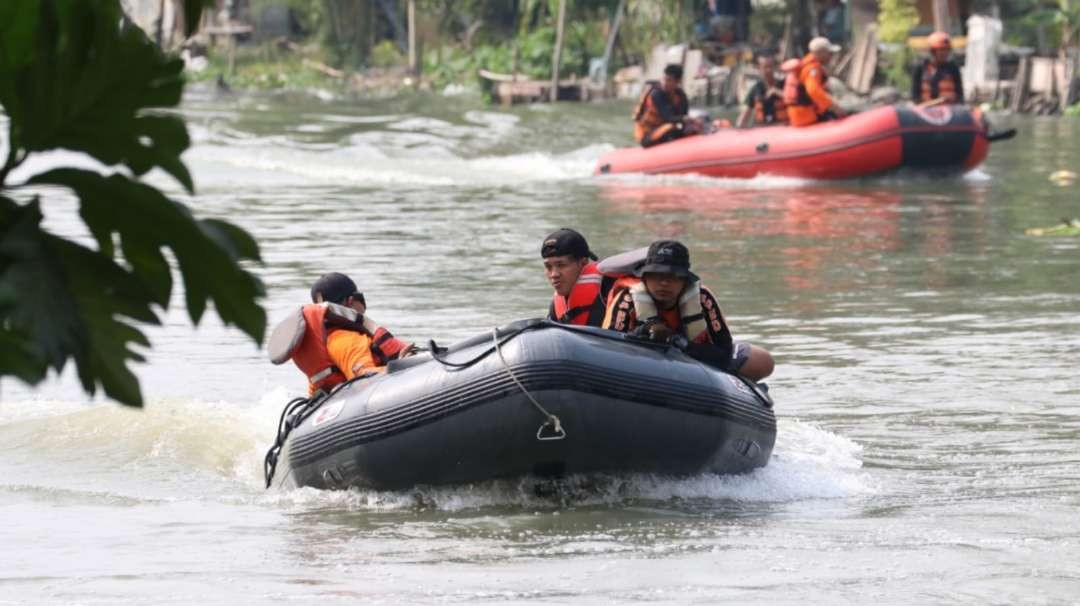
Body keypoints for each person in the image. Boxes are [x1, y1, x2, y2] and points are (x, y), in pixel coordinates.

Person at [602, 240, 774, 382]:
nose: (664, 283)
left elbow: (724, 351)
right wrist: (644, 334)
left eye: (672, 277)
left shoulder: (702, 298)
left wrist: (679, 343)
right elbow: (609, 349)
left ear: (685, 281)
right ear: (644, 277)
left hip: (694, 361)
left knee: (762, 361)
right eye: (656, 275)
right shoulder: (627, 298)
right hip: (641, 361)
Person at [289, 273, 414, 395]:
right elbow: (364, 377)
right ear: (351, 301)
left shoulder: (322, 343)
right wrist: (400, 366)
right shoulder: (347, 340)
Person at [542, 228, 613, 327]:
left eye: (561, 265)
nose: (554, 274)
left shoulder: (609, 290)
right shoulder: (556, 305)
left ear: (583, 263)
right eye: (548, 267)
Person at [783, 36, 846, 127]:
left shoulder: (806, 64)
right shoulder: (813, 69)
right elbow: (813, 90)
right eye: (829, 53)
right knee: (842, 114)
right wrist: (835, 107)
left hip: (799, 115)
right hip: (807, 116)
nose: (831, 56)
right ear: (820, 53)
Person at [633, 64, 698, 148]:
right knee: (670, 128)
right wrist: (685, 119)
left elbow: (683, 116)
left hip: (662, 128)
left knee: (691, 128)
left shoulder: (680, 96)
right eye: (664, 79)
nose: (664, 83)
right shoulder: (656, 94)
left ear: (678, 81)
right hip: (646, 134)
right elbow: (668, 118)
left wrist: (692, 122)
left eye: (669, 80)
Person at [912, 31, 964, 105]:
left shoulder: (953, 68)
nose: (944, 53)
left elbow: (960, 96)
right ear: (932, 51)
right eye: (941, 50)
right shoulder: (920, 68)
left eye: (946, 50)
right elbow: (915, 97)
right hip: (926, 112)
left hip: (949, 111)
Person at [736, 54, 788, 128]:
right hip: (763, 130)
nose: (768, 70)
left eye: (770, 66)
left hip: (783, 127)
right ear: (759, 68)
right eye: (765, 67)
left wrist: (777, 92)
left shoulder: (784, 85)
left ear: (775, 67)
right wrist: (738, 130)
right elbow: (744, 115)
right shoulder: (755, 89)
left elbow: (795, 100)